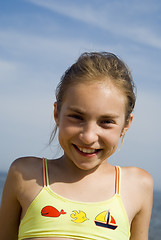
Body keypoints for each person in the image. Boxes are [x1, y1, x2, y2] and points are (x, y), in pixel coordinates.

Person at [0, 52, 153, 240]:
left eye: (106, 121)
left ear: (126, 124)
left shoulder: (137, 185)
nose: (88, 137)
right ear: (57, 113)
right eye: (77, 117)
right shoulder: (24, 175)